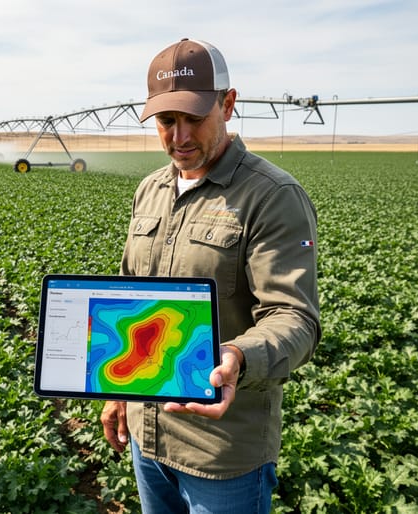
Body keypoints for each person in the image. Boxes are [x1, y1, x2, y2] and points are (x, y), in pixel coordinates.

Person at [100, 39, 320, 513]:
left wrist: (239, 355)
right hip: (146, 437)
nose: (178, 136)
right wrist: (118, 393)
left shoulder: (272, 196)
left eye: (194, 118)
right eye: (165, 120)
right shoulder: (150, 190)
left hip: (222, 455)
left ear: (228, 103)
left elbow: (296, 318)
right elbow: (129, 295)